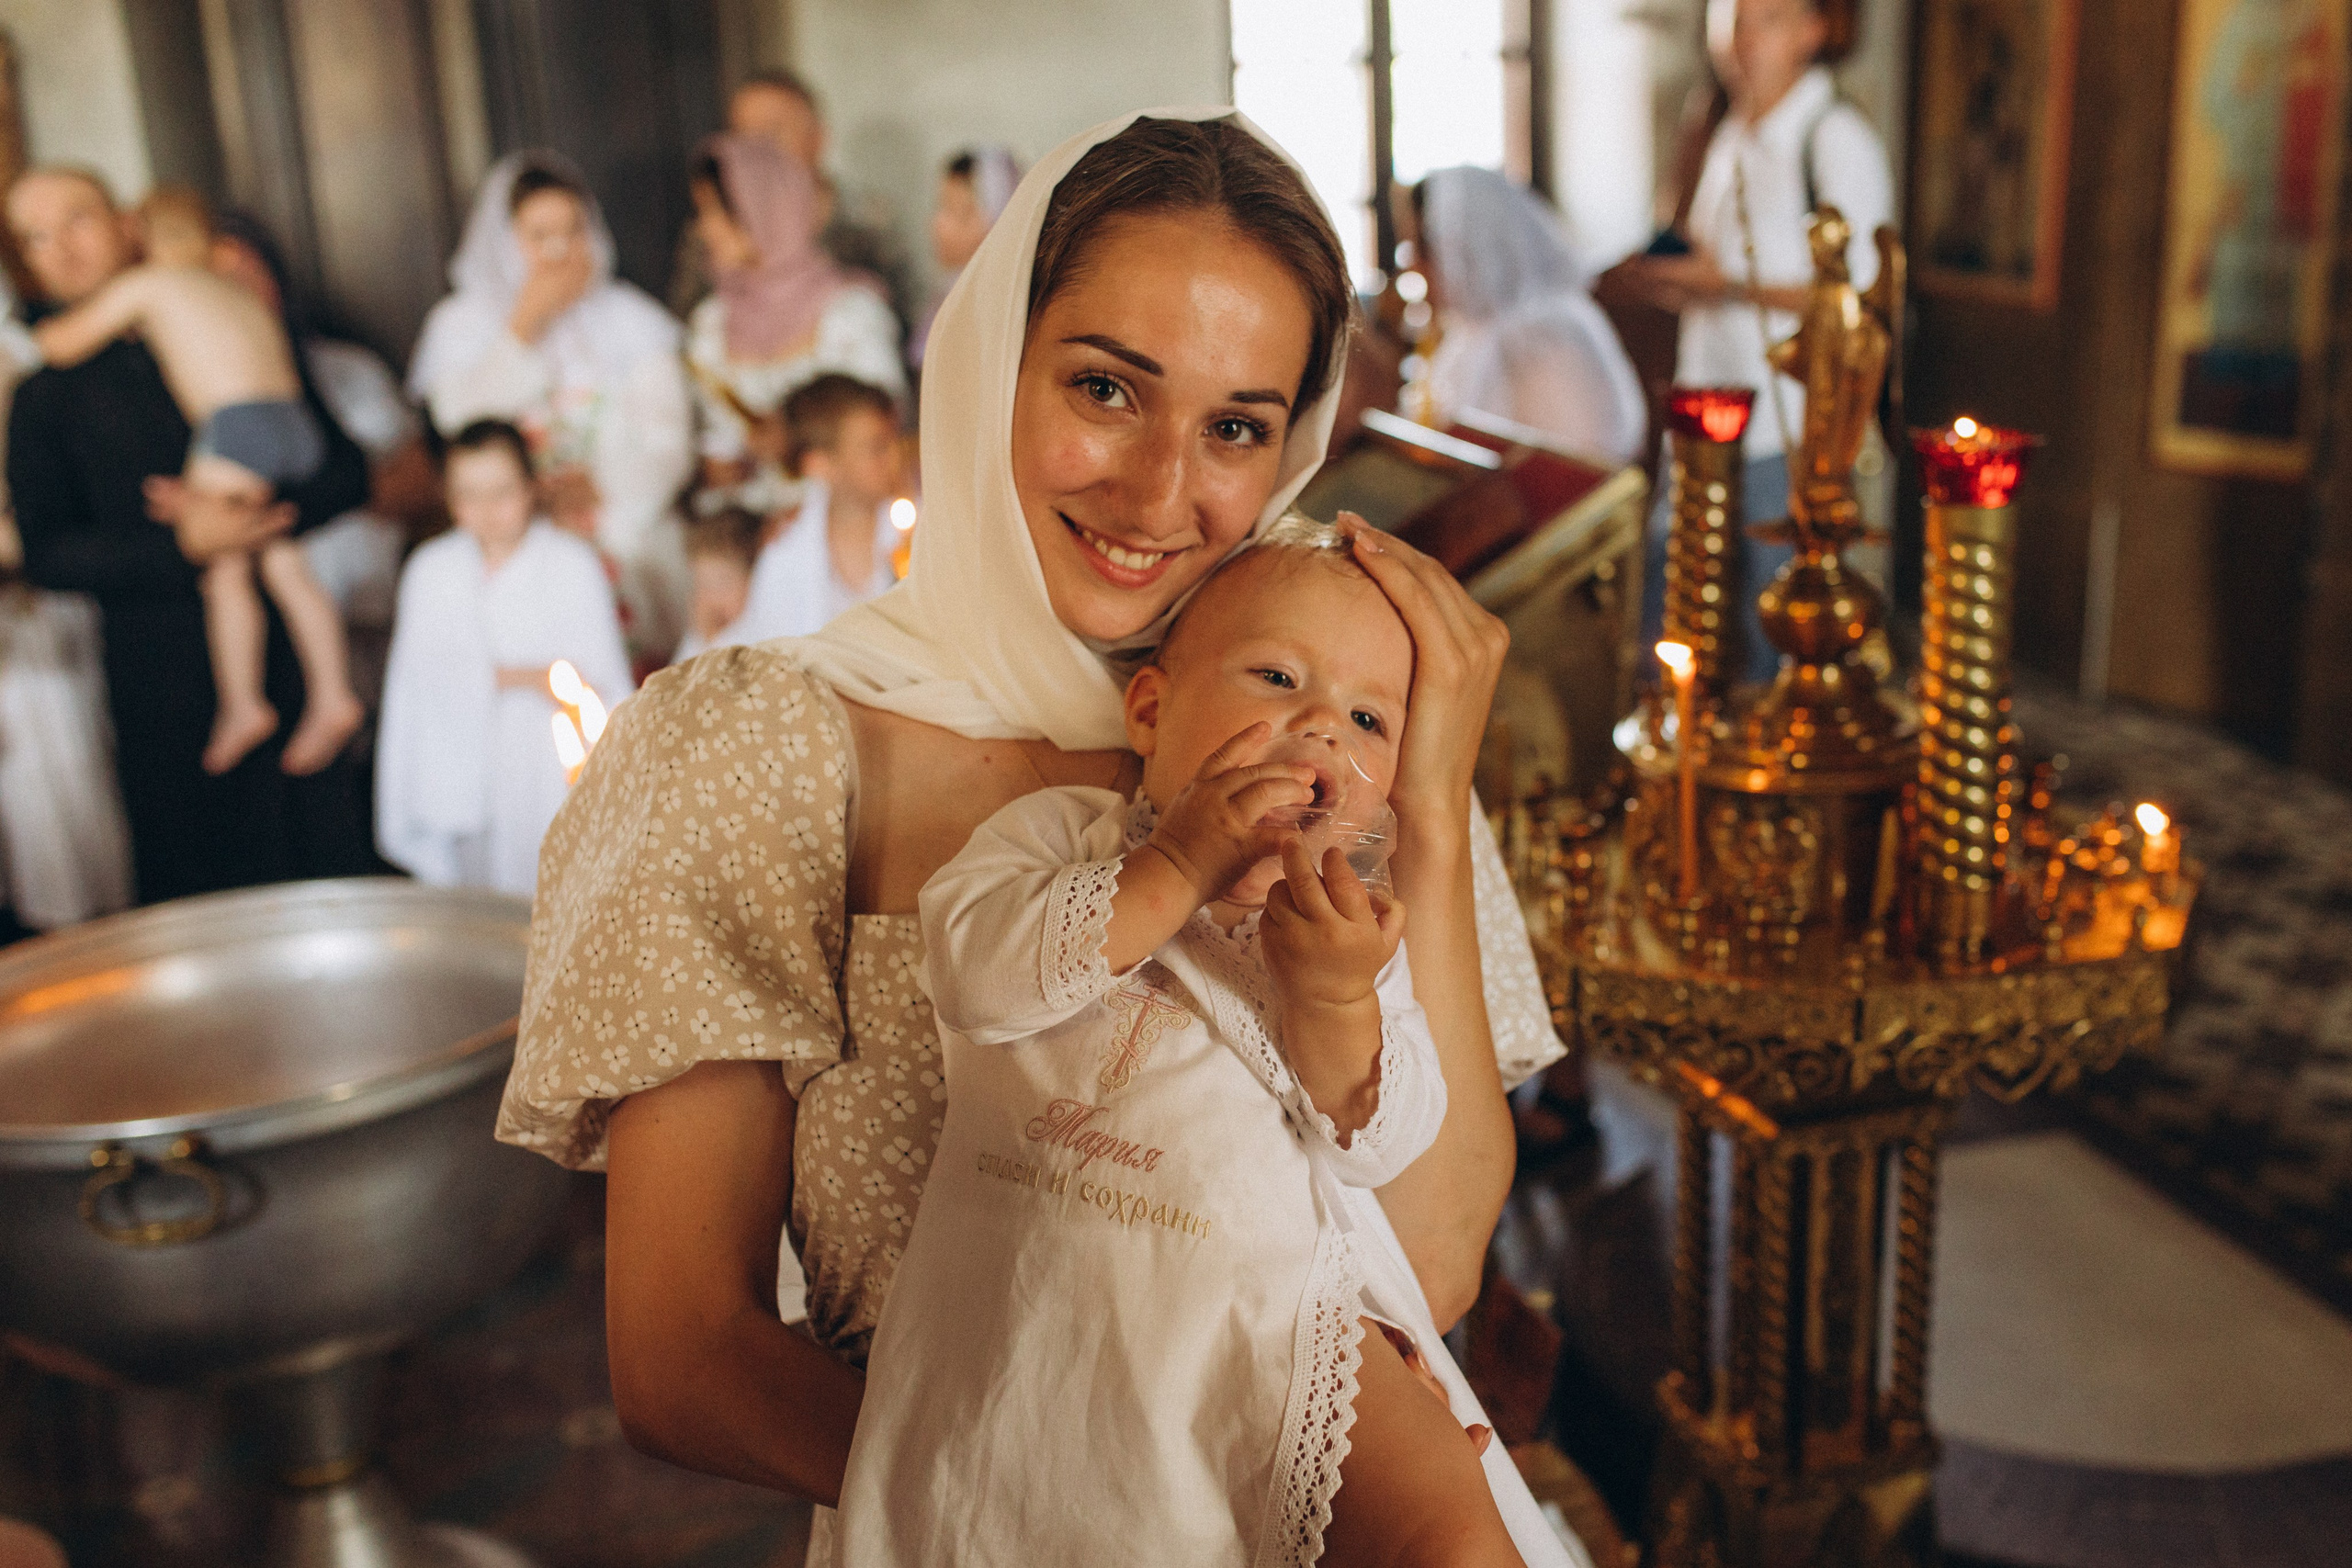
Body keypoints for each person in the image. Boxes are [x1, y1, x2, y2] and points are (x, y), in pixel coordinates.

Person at [499, 111, 1583, 1568]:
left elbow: (1434, 1262)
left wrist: (1435, 803)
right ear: (984, 361)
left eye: (1238, 427)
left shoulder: (1337, 745)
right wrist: (1077, 1511)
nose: (1158, 494)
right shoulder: (759, 750)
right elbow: (683, 1355)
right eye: (1104, 388)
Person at [842, 520, 1523, 1564]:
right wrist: (1179, 862)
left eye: (1368, 719)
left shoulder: (1349, 929)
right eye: (1275, 676)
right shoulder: (1060, 838)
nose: (1318, 730)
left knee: (1455, 1537)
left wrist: (1340, 1000)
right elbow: (975, 977)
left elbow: (1381, 1143)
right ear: (1151, 710)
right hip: (1046, 1318)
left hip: (1274, 1322)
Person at [6, 166, 378, 904]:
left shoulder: (227, 315)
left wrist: (260, 518)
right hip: (160, 688)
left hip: (287, 662)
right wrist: (184, 545)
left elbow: (343, 470)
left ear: (125, 224)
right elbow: (48, 554)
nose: (64, 249)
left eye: (77, 219)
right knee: (201, 901)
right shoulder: (41, 396)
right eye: (35, 238)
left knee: (327, 890)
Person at [1616, 0, 1892, 676]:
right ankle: (1677, 761)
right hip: (1706, 412)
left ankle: (1766, 774)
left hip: (1785, 427)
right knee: (1676, 600)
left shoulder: (1832, 137)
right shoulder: (1727, 127)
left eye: (1766, 19)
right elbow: (1715, 264)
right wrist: (1674, 281)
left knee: (1770, 620)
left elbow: (1857, 294)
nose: (1741, 39)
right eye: (1730, 17)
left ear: (1813, 29)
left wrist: (1725, 283)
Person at [408, 154, 694, 661]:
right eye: (539, 236)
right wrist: (524, 326)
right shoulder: (460, 325)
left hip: (620, 523)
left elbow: (669, 442)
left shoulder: (632, 319)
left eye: (573, 231)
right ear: (503, 242)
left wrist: (602, 487)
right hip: (511, 525)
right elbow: (457, 425)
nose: (560, 252)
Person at [375, 419, 631, 898]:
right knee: (472, 912)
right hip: (457, 764)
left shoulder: (571, 565)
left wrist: (553, 684)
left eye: (501, 492)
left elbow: (603, 679)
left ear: (531, 487)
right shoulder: (431, 570)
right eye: (468, 495)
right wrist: (519, 676)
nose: (486, 511)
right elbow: (412, 687)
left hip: (539, 769)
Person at [684, 134, 903, 517]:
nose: (704, 229)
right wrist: (732, 465)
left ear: (764, 210)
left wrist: (792, 441)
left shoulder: (850, 314)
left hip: (848, 520)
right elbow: (717, 452)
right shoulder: (712, 323)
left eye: (715, 212)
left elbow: (880, 435)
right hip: (747, 530)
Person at [1410, 167, 1646, 467]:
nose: (1412, 267)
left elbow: (1578, 469)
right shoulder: (1471, 331)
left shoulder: (1543, 335)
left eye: (1422, 249)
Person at [670, 71, 916, 333]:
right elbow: (686, 323)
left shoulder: (867, 219)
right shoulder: (714, 231)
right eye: (744, 135)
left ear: (818, 138)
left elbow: (905, 321)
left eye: (772, 132)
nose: (759, 151)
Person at [730, 372, 904, 641]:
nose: (894, 456)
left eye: (894, 439)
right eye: (876, 448)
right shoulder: (785, 552)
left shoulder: (924, 526)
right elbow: (771, 649)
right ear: (820, 465)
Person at [909, 145, 1021, 373]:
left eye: (956, 212)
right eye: (939, 207)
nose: (938, 224)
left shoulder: (996, 314)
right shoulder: (944, 297)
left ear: (998, 220)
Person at [672, 504, 762, 662]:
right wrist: (704, 638)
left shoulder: (756, 626)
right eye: (702, 585)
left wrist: (713, 639)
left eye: (722, 583)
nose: (712, 599)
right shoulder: (698, 633)